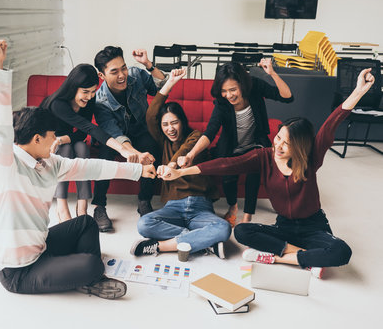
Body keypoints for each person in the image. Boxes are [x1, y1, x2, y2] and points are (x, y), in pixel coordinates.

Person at [158, 68, 375, 278]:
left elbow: (331, 123)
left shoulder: (311, 159)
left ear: (299, 148)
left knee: (342, 251)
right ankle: (305, 257)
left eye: (286, 144)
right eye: (278, 137)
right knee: (242, 231)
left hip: (313, 227)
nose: (278, 146)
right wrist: (182, 172)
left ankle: (279, 257)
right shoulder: (265, 156)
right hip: (285, 226)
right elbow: (226, 164)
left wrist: (359, 90)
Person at [0, 40, 156, 298]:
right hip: (19, 272)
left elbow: (91, 167)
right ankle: (86, 275)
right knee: (92, 264)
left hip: (42, 248)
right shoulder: (7, 166)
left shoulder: (50, 163)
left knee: (86, 223)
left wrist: (137, 171)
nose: (57, 139)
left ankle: (80, 274)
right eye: (52, 135)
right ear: (36, 139)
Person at [177, 60, 293, 227]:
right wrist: (190, 154)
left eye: (233, 89)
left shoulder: (255, 86)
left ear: (243, 85)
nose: (229, 95)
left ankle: (247, 216)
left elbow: (287, 97)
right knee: (228, 177)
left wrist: (272, 74)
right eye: (224, 91)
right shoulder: (222, 103)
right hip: (231, 146)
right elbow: (210, 132)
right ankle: (233, 206)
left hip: (256, 143)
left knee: (255, 170)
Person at [131, 68, 231, 258]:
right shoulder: (163, 141)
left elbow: (184, 152)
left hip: (200, 207)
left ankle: (163, 246)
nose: (170, 129)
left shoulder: (196, 137)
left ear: (182, 122)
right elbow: (151, 114)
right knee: (143, 224)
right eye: (165, 125)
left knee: (224, 228)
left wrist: (171, 166)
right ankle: (201, 242)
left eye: (174, 123)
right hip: (172, 207)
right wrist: (169, 83)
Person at [40, 64, 139, 222]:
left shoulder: (88, 102)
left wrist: (63, 138)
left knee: (81, 147)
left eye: (93, 91)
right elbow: (89, 128)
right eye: (85, 92)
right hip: (49, 143)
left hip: (64, 139)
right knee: (65, 150)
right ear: (73, 88)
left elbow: (82, 132)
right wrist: (122, 150)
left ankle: (82, 207)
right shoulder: (58, 104)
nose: (90, 96)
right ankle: (62, 207)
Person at [91, 46, 167, 232]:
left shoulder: (136, 75)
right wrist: (135, 154)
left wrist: (148, 65)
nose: (122, 75)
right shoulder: (100, 101)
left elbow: (163, 84)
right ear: (102, 76)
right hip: (116, 138)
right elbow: (114, 134)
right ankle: (99, 207)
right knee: (105, 156)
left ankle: (144, 200)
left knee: (152, 147)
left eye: (123, 68)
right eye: (114, 71)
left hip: (142, 129)